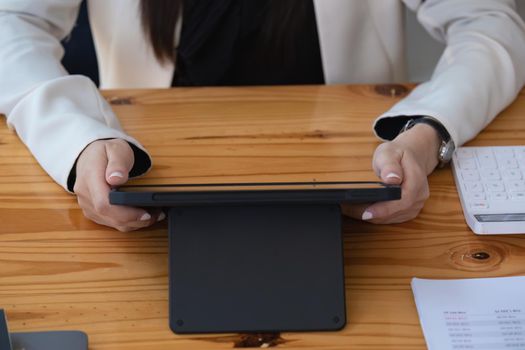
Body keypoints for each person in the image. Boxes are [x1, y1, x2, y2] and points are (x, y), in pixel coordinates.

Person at [0, 0, 524, 232]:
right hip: (146, 185)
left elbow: (490, 22)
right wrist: (77, 142)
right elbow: (12, 21)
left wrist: (428, 131)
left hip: (358, 189)